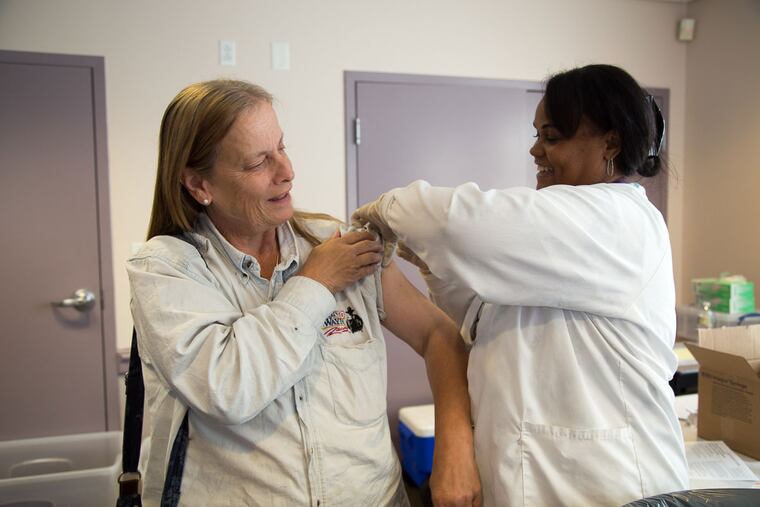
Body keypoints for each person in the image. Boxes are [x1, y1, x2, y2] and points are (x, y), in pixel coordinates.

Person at [127, 79, 482, 506]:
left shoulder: (338, 242)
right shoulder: (166, 268)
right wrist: (316, 283)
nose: (286, 171)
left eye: (281, 146)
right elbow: (228, 389)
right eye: (259, 162)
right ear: (199, 185)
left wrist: (454, 446)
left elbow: (438, 336)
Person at [352, 64, 688, 506]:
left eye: (551, 136)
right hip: (532, 478)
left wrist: (385, 209)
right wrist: (432, 266)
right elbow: (485, 320)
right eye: (536, 135)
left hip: (614, 487)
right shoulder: (564, 234)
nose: (535, 150)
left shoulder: (618, 221)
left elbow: (456, 225)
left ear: (610, 142)